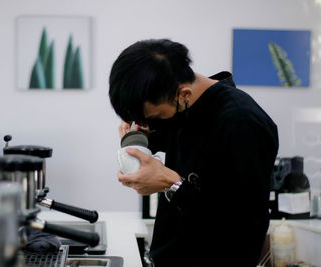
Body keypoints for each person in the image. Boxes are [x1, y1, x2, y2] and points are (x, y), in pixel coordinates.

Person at [108, 39, 278, 266]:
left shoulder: (242, 123)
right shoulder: (188, 109)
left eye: (154, 117)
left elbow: (241, 226)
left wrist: (173, 183)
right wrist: (144, 138)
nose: (152, 123)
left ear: (184, 94)